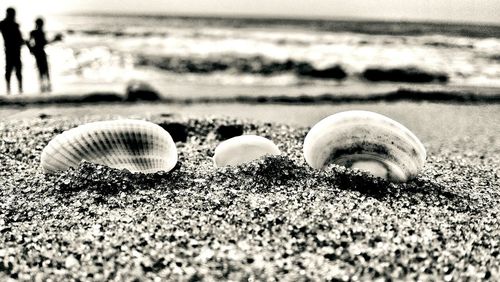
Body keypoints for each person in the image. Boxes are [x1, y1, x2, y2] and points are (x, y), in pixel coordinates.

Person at [28, 17, 62, 93]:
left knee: (41, 69)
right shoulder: (39, 32)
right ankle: (46, 85)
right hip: (40, 52)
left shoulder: (34, 32)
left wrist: (31, 49)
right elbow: (44, 43)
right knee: (45, 69)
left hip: (38, 52)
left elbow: (28, 42)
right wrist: (55, 39)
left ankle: (43, 85)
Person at [0, 7, 24, 94]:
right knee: (16, 69)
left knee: (10, 69)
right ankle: (18, 89)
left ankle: (9, 89)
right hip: (14, 50)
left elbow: (20, 39)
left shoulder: (4, 24)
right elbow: (20, 39)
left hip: (10, 49)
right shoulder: (12, 25)